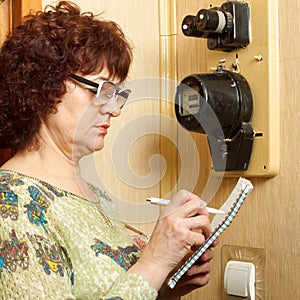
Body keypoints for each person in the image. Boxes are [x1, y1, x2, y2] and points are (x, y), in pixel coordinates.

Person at [0, 1, 217, 299]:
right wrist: (154, 262)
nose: (114, 109)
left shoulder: (96, 197)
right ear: (45, 86)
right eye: (100, 90)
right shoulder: (9, 204)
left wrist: (167, 285)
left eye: (117, 94)